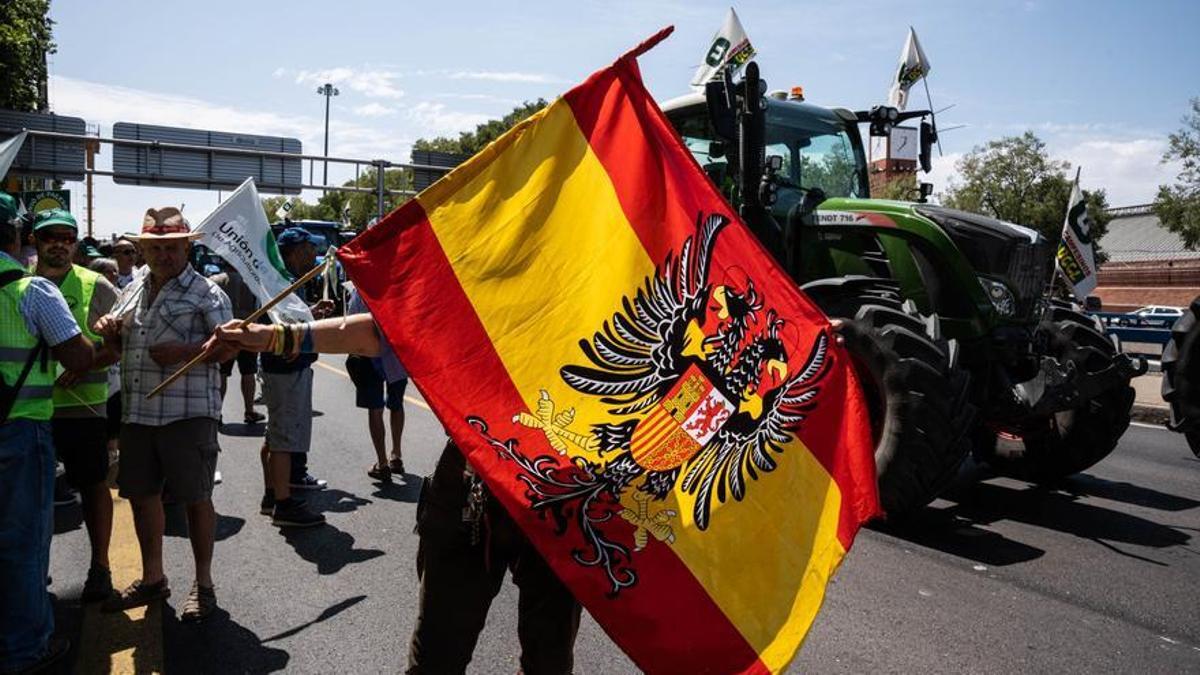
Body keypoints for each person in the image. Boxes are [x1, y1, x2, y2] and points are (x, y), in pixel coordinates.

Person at [215, 313, 583, 674]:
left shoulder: (604, 284)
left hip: (568, 501)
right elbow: (389, 330)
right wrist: (273, 336)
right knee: (437, 658)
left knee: (548, 661)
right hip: (472, 489)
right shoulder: (481, 284)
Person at [93, 206, 236, 623]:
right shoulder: (135, 288)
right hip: (138, 412)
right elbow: (121, 344)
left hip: (187, 414)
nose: (164, 255)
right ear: (143, 249)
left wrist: (186, 352)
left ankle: (203, 584)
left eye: (172, 248)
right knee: (142, 497)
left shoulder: (208, 293)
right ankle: (154, 578)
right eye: (155, 248)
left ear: (186, 248)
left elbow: (228, 348)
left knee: (196, 499)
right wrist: (111, 330)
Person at [0, 193, 97, 672]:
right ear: (19, 236)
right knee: (22, 543)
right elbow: (79, 357)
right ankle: (25, 648)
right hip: (20, 432)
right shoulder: (32, 291)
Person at [33, 209, 123, 603]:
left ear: (75, 241)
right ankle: (33, 573)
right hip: (29, 411)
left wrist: (84, 365)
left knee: (92, 487)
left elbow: (121, 344)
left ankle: (100, 567)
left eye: (67, 236)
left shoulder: (96, 285)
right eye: (49, 236)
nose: (59, 243)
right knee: (31, 496)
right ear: (34, 241)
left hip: (85, 409)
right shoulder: (19, 283)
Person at [257, 228, 333, 527]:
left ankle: (271, 495)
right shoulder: (281, 282)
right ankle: (283, 505)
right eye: (309, 248)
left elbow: (287, 319)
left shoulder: (287, 282)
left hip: (284, 367)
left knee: (276, 434)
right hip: (285, 368)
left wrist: (311, 312)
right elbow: (273, 322)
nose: (313, 254)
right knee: (284, 439)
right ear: (295, 251)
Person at [345, 285, 408, 482]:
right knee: (396, 405)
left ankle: (382, 463)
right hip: (396, 355)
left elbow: (352, 321)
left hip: (369, 355)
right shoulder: (397, 285)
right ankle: (396, 455)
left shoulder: (360, 289)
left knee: (375, 410)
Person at [209, 263, 264, 426]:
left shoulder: (215, 281)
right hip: (248, 331)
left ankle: (217, 413)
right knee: (248, 372)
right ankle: (249, 410)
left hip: (226, 331)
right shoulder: (252, 281)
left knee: (222, 373)